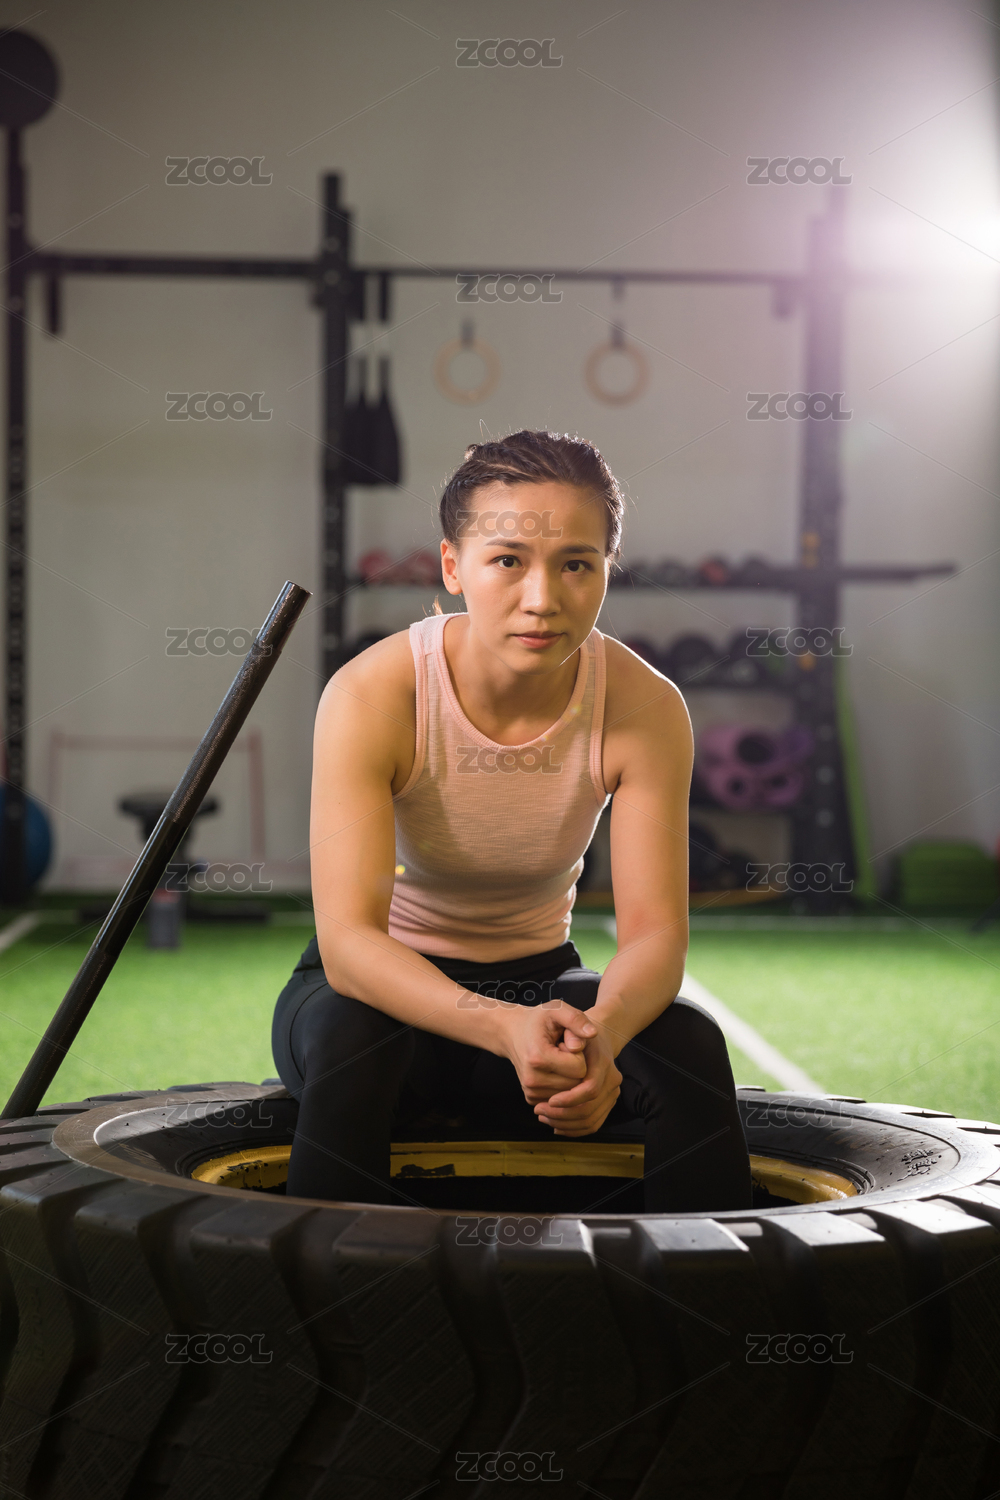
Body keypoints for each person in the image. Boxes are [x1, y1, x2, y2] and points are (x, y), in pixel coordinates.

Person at [272, 430, 752, 1211]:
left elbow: (656, 937)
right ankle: (327, 1288)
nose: (542, 598)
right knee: (359, 1044)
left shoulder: (646, 706)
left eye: (576, 564)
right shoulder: (374, 693)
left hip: (538, 988)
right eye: (507, 561)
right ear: (452, 566)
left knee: (687, 1043)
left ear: (607, 569)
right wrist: (499, 1027)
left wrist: (604, 1038)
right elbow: (350, 947)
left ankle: (701, 1283)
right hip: (378, 1001)